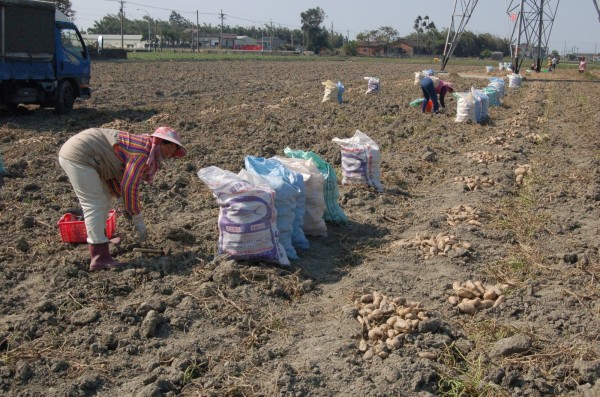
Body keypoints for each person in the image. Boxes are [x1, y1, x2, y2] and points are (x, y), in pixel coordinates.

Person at [58, 127, 187, 271]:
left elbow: (114, 179)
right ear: (159, 142)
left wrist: (125, 206)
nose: (170, 153)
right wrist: (137, 217)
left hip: (90, 156)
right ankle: (99, 257)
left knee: (105, 198)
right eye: (169, 146)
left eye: (173, 150)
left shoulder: (143, 147)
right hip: (80, 154)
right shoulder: (142, 151)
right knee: (95, 204)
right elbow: (129, 186)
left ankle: (101, 240)